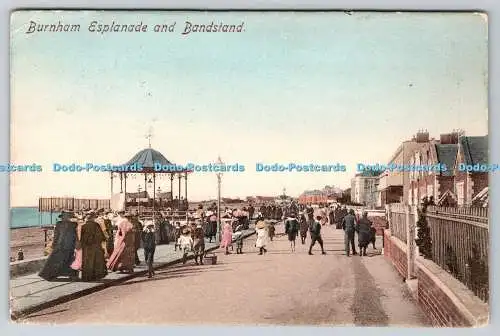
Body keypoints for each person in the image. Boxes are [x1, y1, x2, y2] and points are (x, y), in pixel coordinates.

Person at [39, 211, 78, 281]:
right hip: (62, 244)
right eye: (64, 216)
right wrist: (54, 243)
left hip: (68, 244)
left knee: (66, 259)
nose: (65, 218)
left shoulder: (73, 224)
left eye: (66, 216)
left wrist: (76, 243)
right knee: (58, 259)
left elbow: (75, 235)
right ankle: (49, 275)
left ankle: (71, 275)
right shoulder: (62, 224)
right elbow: (56, 235)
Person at [80, 211, 107, 281]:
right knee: (96, 260)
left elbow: (81, 238)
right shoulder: (96, 225)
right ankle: (96, 276)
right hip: (95, 245)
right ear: (93, 218)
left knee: (87, 261)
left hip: (86, 246)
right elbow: (101, 236)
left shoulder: (83, 226)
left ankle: (86, 277)